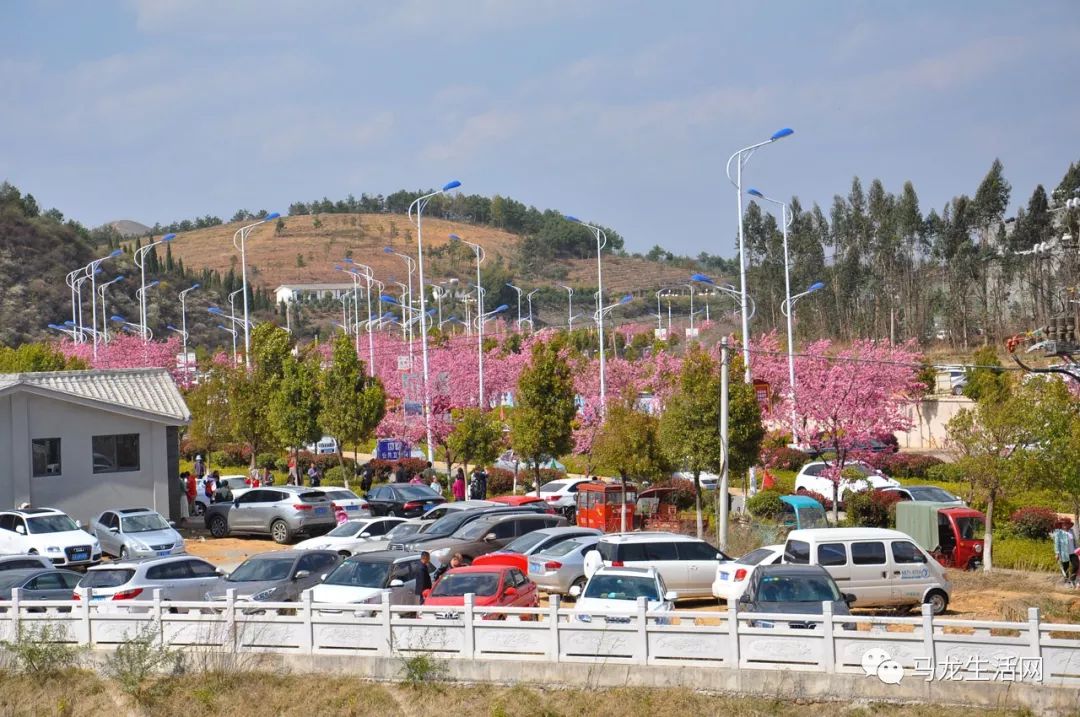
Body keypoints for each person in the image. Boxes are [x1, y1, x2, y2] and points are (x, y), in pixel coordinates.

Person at [1053, 520, 1077, 586]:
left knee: (1076, 565)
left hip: (1073, 552)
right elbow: (1056, 544)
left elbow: (1075, 541)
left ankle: (1072, 579)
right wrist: (1057, 553)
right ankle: (1066, 582)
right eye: (1063, 524)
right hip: (1064, 553)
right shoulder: (1058, 533)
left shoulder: (1071, 531)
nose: (1065, 525)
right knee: (1065, 567)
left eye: (1067, 524)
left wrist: (1077, 549)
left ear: (1069, 525)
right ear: (1061, 525)